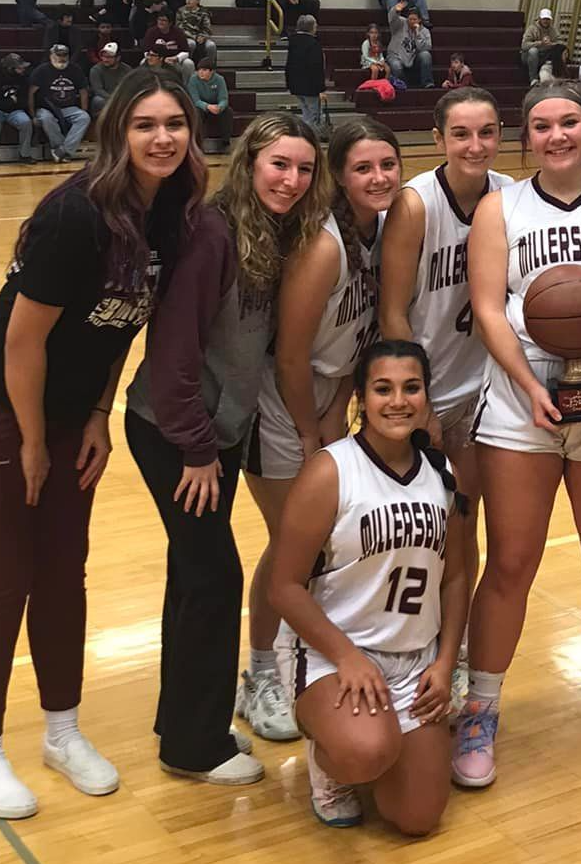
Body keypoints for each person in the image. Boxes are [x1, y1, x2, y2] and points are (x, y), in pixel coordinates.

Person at [0, 68, 206, 820]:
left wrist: (95, 414)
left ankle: (61, 731)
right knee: (1, 581)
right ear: (116, 130)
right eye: (145, 124)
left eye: (174, 124)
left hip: (63, 413)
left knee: (63, 574)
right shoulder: (74, 214)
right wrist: (30, 440)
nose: (162, 138)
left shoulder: (172, 213)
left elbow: (124, 325)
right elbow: (23, 342)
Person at [452, 81, 581, 786]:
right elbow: (487, 309)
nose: (556, 135)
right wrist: (532, 386)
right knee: (510, 563)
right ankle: (481, 706)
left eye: (569, 121)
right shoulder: (498, 207)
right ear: (527, 136)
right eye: (541, 125)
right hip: (520, 405)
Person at [125, 112, 326, 787]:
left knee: (192, 576)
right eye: (279, 165)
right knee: (214, 579)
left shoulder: (269, 231)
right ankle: (196, 745)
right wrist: (194, 448)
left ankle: (178, 721)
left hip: (217, 432)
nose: (292, 180)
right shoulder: (214, 232)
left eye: (303, 169)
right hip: (176, 432)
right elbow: (174, 347)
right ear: (249, 162)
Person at [234, 118, 401, 744]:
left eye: (388, 164)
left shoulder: (379, 230)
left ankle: (310, 658)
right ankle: (258, 676)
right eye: (362, 168)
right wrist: (313, 432)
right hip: (281, 406)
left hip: (325, 397)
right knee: (291, 547)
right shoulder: (324, 243)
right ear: (338, 175)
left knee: (316, 548)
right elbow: (290, 357)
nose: (379, 177)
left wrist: (341, 404)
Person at [268, 340, 467, 832]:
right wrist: (346, 656)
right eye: (383, 389)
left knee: (418, 819)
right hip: (333, 654)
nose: (398, 401)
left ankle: (381, 743)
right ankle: (331, 761)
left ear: (426, 396)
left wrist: (445, 664)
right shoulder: (330, 471)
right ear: (360, 398)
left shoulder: (444, 475)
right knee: (365, 753)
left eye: (411, 388)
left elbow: (458, 577)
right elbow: (284, 585)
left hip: (413, 658)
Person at [379, 87, 512, 704]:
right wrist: (420, 405)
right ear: (437, 140)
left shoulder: (512, 196)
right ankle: (399, 646)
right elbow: (393, 311)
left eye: (486, 132)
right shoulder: (415, 205)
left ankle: (451, 652)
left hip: (483, 393)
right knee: (415, 532)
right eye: (461, 134)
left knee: (464, 527)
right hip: (423, 397)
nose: (475, 145)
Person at [31, 44, 92, 162]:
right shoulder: (41, 70)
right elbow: (31, 93)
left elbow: (83, 90)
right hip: (46, 107)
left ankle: (63, 151)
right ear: (51, 56)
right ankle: (59, 148)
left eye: (65, 55)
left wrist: (84, 109)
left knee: (84, 117)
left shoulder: (75, 69)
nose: (62, 58)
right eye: (58, 55)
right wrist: (32, 115)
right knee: (46, 118)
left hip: (69, 107)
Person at [0, 53, 34, 165]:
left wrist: (14, 103)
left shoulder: (24, 78)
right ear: (10, 69)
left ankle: (25, 154)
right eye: (19, 68)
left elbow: (23, 100)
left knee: (25, 121)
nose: (23, 70)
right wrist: (10, 102)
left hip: (15, 110)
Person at [284, 14, 324, 132]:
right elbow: (316, 67)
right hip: (310, 86)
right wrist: (321, 88)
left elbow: (289, 64)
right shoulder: (313, 43)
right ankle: (309, 139)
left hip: (296, 84)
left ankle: (304, 135)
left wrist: (289, 83)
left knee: (305, 113)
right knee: (313, 115)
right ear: (311, 27)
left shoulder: (293, 42)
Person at [186, 56, 230, 149]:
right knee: (197, 112)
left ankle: (225, 141)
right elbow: (195, 100)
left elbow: (224, 98)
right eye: (199, 70)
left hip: (215, 106)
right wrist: (207, 106)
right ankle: (198, 142)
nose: (201, 72)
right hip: (201, 106)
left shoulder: (219, 80)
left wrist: (220, 107)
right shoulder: (193, 80)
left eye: (204, 70)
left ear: (211, 71)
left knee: (227, 111)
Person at [385, 1, 431, 88]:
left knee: (426, 55)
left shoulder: (424, 31)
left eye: (414, 20)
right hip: (396, 55)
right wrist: (395, 10)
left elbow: (426, 48)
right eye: (410, 19)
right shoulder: (401, 23)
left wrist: (418, 34)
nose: (412, 22)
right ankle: (404, 85)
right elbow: (392, 19)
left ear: (419, 20)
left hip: (413, 59)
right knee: (396, 66)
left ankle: (427, 82)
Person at [518, 7, 564, 87]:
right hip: (528, 56)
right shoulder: (532, 29)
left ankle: (557, 77)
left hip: (544, 56)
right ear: (540, 19)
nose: (546, 21)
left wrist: (552, 44)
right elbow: (524, 45)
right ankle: (533, 79)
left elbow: (561, 42)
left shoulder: (553, 30)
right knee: (533, 51)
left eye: (548, 19)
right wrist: (540, 43)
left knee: (558, 50)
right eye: (544, 19)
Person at [142, 10, 192, 79]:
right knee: (142, 63)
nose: (160, 22)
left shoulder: (178, 32)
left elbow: (186, 52)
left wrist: (176, 58)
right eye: (159, 19)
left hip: (173, 60)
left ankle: (185, 87)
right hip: (155, 59)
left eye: (164, 20)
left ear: (170, 23)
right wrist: (155, 59)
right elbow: (146, 51)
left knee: (188, 63)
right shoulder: (151, 32)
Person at [89, 41, 130, 113]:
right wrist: (114, 100)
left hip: (122, 98)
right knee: (98, 100)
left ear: (118, 58)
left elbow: (131, 87)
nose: (105, 59)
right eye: (103, 56)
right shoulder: (96, 70)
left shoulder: (127, 69)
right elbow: (98, 90)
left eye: (109, 57)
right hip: (105, 99)